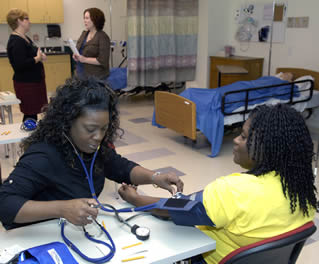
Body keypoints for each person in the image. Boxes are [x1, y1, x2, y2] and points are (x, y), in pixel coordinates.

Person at [119, 103, 317, 264]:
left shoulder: (233, 191)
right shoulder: (302, 191)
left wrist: (135, 199)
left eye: (244, 136)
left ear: (267, 148)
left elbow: (173, 209)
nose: (237, 141)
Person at [0, 77, 183, 230]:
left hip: (74, 233)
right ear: (67, 122)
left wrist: (155, 177)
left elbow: (121, 167)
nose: (98, 137)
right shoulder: (43, 156)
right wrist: (62, 209)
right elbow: (5, 203)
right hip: (36, 236)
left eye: (104, 129)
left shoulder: (94, 148)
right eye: (90, 129)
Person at [6, 8, 48, 122]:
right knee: (30, 114)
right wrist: (37, 58)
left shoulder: (24, 37)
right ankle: (29, 137)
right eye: (26, 19)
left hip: (34, 82)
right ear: (19, 21)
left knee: (33, 113)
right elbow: (20, 65)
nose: (29, 21)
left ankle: (32, 135)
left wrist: (40, 56)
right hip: (27, 84)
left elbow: (32, 53)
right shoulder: (16, 41)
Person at [73, 8, 110, 80]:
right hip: (80, 72)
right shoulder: (84, 34)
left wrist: (85, 59)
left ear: (95, 20)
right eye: (84, 18)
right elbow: (79, 49)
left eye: (87, 18)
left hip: (95, 77)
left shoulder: (103, 37)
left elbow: (103, 61)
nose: (84, 21)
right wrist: (76, 55)